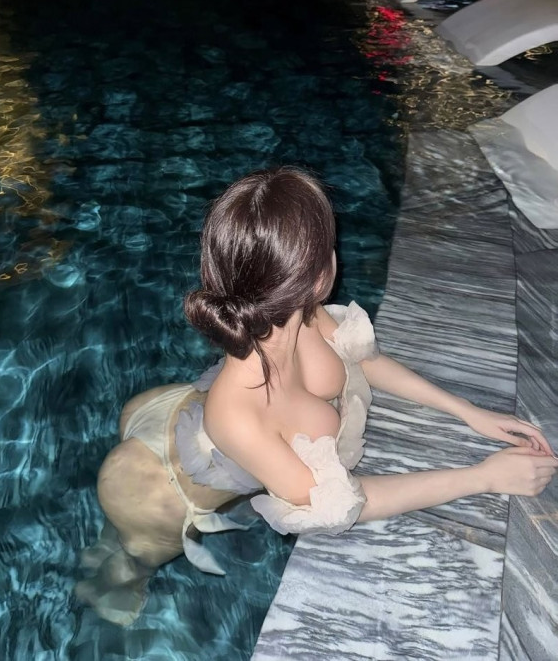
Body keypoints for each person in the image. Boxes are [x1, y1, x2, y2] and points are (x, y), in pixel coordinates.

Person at [76, 166, 556, 626]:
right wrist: (483, 477)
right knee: (126, 567)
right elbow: (346, 503)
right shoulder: (240, 413)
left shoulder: (297, 308)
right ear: (323, 270)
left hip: (174, 412)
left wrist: (467, 412)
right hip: (153, 494)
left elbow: (362, 359)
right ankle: (111, 573)